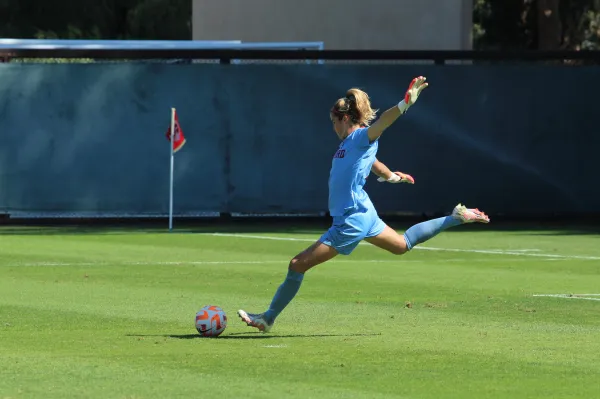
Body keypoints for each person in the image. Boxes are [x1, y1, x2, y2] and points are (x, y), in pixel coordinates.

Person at [238, 76, 489, 332]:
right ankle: (457, 217)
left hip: (350, 219)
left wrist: (405, 105)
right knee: (403, 245)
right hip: (364, 212)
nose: (333, 127)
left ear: (344, 118)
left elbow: (381, 124)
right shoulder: (350, 144)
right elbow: (373, 162)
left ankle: (268, 318)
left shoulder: (359, 137)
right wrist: (391, 176)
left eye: (334, 122)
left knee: (297, 264)